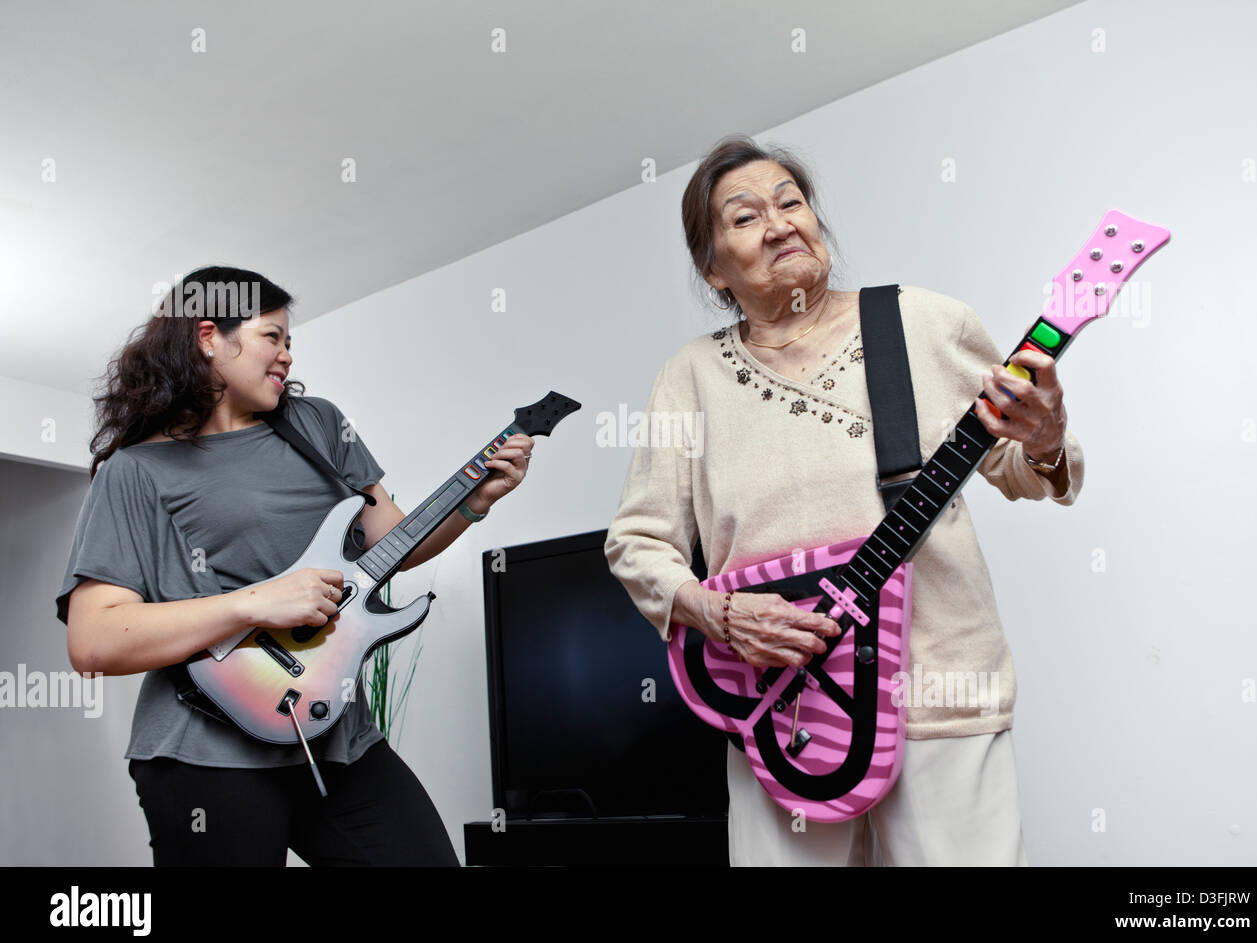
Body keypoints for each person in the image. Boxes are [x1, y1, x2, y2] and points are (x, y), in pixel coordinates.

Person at [604, 136, 1084, 866]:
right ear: (713, 269)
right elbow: (637, 542)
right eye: (744, 217)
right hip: (785, 711)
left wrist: (1046, 436)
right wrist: (718, 613)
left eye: (791, 202)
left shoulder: (925, 323)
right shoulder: (690, 377)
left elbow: (1024, 466)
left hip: (941, 701)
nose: (779, 223)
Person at [55, 266, 533, 866]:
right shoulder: (136, 472)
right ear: (209, 336)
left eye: (290, 342)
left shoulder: (319, 424)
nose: (286, 354)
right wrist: (253, 602)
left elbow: (395, 546)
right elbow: (93, 640)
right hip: (204, 753)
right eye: (271, 337)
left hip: (335, 736)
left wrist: (473, 503)